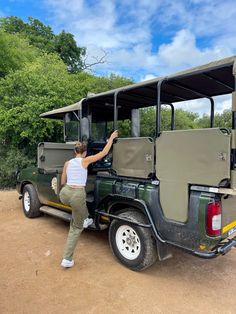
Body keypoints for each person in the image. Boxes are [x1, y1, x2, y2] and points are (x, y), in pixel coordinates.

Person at [59, 130, 118, 268]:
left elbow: (62, 180)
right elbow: (103, 153)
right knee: (75, 228)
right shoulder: (85, 161)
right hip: (77, 195)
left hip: (64, 194)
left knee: (78, 208)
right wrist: (111, 139)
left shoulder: (67, 163)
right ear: (85, 153)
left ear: (75, 152)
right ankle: (67, 259)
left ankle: (85, 218)